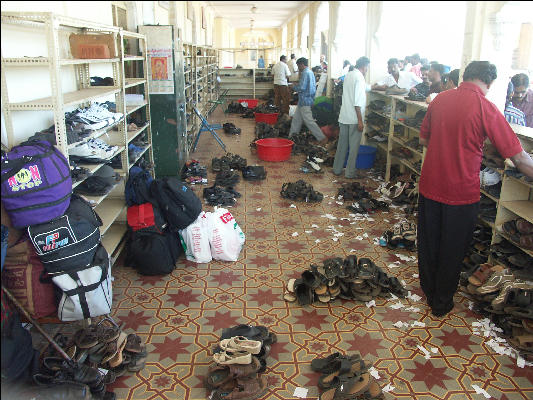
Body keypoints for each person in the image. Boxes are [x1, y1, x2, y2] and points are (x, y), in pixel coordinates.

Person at [417, 60, 533, 318]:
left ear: (465, 76)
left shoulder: (439, 100)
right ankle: (441, 303)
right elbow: (520, 159)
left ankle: (429, 291)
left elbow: (424, 139)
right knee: (453, 247)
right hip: (460, 194)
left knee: (429, 242)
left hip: (430, 185)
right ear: (489, 83)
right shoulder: (485, 107)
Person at [333, 56, 370, 179]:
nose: (367, 70)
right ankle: (350, 173)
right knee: (353, 148)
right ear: (364, 66)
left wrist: (373, 87)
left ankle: (337, 169)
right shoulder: (359, 78)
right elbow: (358, 102)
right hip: (354, 119)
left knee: (342, 145)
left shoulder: (349, 75)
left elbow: (359, 90)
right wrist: (360, 121)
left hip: (344, 117)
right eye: (367, 68)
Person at [288, 57, 327, 144]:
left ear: (302, 64)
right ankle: (291, 137)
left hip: (305, 101)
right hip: (304, 100)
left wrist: (293, 87)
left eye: (298, 66)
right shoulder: (309, 72)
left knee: (309, 121)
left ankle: (322, 138)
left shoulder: (305, 73)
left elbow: (302, 87)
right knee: (296, 120)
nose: (298, 68)